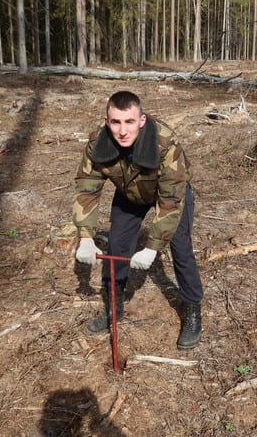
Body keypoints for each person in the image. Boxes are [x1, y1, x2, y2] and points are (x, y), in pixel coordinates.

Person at [73, 91, 203, 350]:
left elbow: (170, 200)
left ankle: (192, 309)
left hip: (169, 194)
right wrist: (86, 236)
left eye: (129, 122)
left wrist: (153, 247)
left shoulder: (165, 145)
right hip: (129, 193)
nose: (122, 130)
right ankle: (114, 306)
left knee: (181, 249)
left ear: (141, 120)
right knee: (118, 246)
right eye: (116, 122)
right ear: (107, 120)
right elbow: (87, 187)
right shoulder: (98, 142)